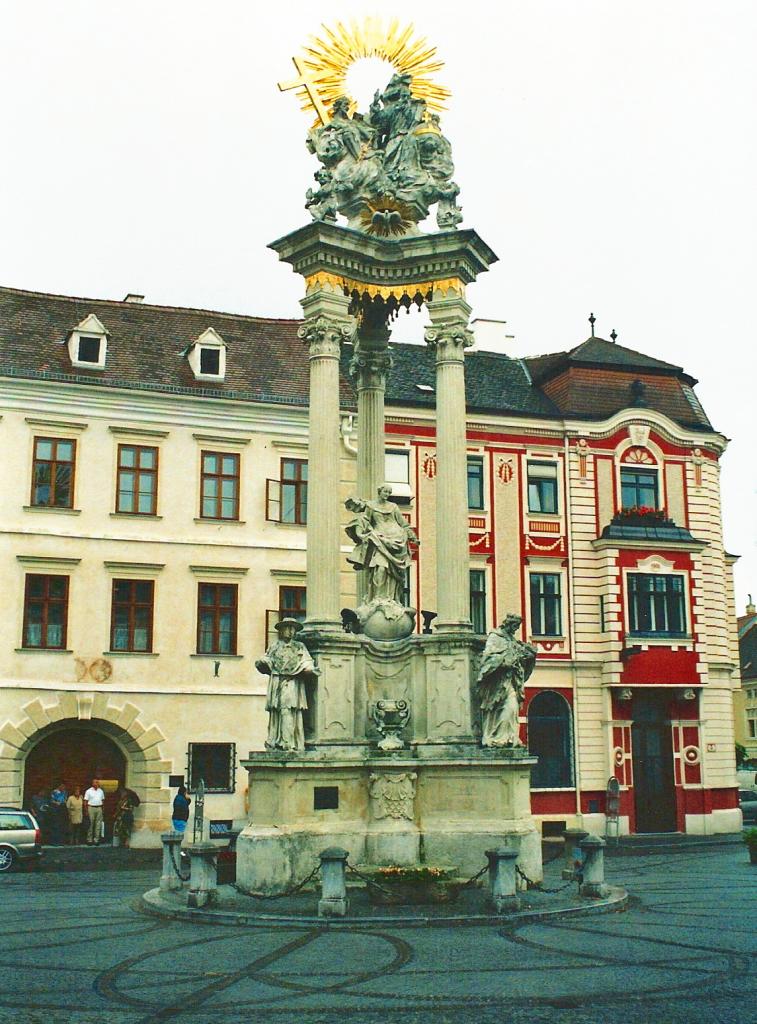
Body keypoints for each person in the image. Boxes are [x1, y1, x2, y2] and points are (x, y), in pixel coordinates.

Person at [345, 485, 418, 605]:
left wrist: (413, 537)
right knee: (380, 568)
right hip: (379, 540)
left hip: (397, 540)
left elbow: (403, 524)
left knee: (395, 575)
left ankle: (392, 598)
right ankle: (378, 598)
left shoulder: (393, 507)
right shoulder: (371, 506)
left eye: (389, 492)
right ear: (379, 492)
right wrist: (359, 532)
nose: (387, 494)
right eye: (385, 492)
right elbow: (365, 520)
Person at [256, 618, 320, 751]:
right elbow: (267, 659)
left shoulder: (299, 646)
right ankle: (276, 740)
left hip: (293, 681)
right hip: (278, 681)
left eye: (293, 629)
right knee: (277, 712)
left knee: (289, 710)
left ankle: (289, 742)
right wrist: (262, 662)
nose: (290, 631)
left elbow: (306, 660)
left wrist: (309, 668)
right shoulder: (275, 646)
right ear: (281, 630)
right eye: (287, 628)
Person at [476, 614, 537, 747]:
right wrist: (504, 661)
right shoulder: (495, 637)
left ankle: (509, 737)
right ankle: (497, 738)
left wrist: (528, 656)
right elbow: (487, 659)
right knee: (500, 708)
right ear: (508, 624)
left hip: (511, 681)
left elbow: (518, 656)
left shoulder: (511, 640)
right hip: (497, 683)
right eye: (515, 626)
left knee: (512, 707)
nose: (516, 629)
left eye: (518, 627)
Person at [83, 778, 105, 845]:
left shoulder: (101, 791)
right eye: (95, 782)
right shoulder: (88, 791)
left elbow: (103, 800)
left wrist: (102, 809)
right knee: (91, 824)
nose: (96, 784)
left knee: (98, 824)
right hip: (91, 807)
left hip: (99, 807)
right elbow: (85, 801)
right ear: (92, 783)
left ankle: (96, 840)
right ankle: (89, 839)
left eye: (97, 782)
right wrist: (86, 810)